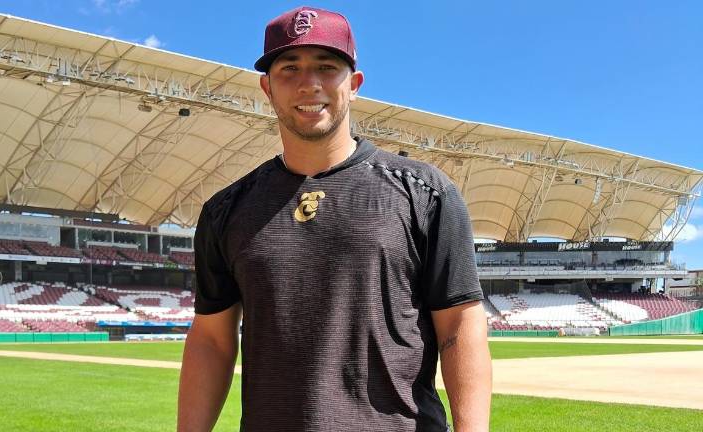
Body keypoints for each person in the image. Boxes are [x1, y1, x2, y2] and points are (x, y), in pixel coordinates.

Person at [178, 6, 491, 432]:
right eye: (290, 69)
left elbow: (459, 324)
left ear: (355, 84)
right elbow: (212, 340)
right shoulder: (226, 211)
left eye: (327, 67)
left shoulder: (425, 193)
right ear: (267, 88)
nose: (309, 84)